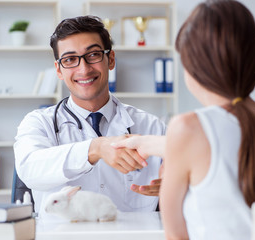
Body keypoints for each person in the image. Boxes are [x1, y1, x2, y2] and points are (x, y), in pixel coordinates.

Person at [112, 0, 255, 239]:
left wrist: (171, 168)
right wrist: (149, 143)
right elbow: (228, 144)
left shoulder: (188, 128)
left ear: (194, 67)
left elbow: (176, 235)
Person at [13, 15, 165, 219]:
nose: (83, 69)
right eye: (69, 59)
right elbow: (29, 169)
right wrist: (95, 148)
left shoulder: (151, 126)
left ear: (110, 59)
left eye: (93, 55)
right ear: (58, 69)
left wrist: (178, 183)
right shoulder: (39, 123)